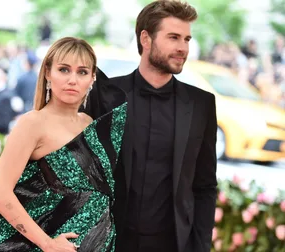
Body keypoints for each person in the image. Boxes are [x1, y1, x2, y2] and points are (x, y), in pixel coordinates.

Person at [0, 37, 127, 251]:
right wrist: (47, 243)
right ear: (48, 73)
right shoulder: (32, 123)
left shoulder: (90, 123)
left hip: (103, 242)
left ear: (92, 78)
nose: (73, 80)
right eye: (64, 70)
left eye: (82, 72)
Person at [83, 1, 218, 251]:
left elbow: (205, 185)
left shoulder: (202, 104)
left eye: (187, 39)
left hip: (174, 244)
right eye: (174, 37)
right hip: (112, 242)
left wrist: (200, 247)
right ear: (146, 39)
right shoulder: (105, 96)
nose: (183, 48)